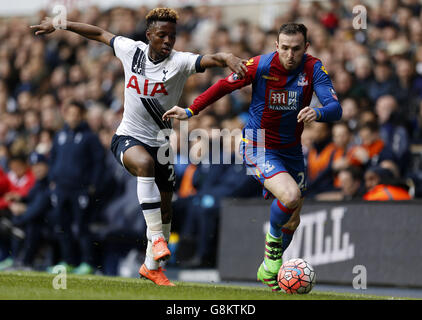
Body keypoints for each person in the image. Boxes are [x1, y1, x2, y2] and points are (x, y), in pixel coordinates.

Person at [31, 7, 248, 286]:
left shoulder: (180, 62)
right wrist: (60, 24)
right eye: (162, 35)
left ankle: (151, 267)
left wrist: (227, 56)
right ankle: (157, 238)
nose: (168, 41)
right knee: (144, 166)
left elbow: (211, 59)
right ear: (149, 36)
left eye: (172, 35)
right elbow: (98, 32)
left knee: (166, 206)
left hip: (161, 145)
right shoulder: (130, 50)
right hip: (127, 138)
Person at [163, 22, 342, 291]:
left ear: (305, 48)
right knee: (290, 196)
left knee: (293, 218)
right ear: (276, 46)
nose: (289, 54)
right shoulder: (260, 65)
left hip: (291, 150)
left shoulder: (314, 68)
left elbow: (335, 108)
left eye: (295, 49)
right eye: (284, 48)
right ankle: (272, 260)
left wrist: (318, 113)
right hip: (258, 145)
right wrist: (191, 111)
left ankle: (270, 272)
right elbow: (223, 86)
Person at [47, 101, 105, 274]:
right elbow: (53, 159)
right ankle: (68, 261)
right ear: (65, 115)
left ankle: (88, 263)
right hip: (61, 189)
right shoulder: (59, 136)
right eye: (70, 113)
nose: (73, 117)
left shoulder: (90, 137)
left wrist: (93, 185)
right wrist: (52, 179)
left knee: (81, 227)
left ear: (82, 116)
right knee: (62, 226)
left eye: (76, 114)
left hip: (80, 189)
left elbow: (98, 163)